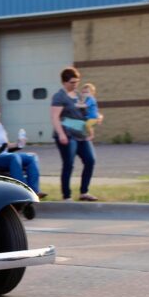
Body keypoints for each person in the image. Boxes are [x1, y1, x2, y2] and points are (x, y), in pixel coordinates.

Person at [50, 67, 97, 202]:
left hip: (81, 134)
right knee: (69, 164)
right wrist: (61, 134)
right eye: (72, 82)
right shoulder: (59, 96)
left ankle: (84, 192)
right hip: (67, 135)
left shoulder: (79, 96)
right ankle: (67, 196)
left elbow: (84, 115)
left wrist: (92, 126)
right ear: (64, 82)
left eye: (77, 82)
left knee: (90, 160)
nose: (75, 85)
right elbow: (55, 117)